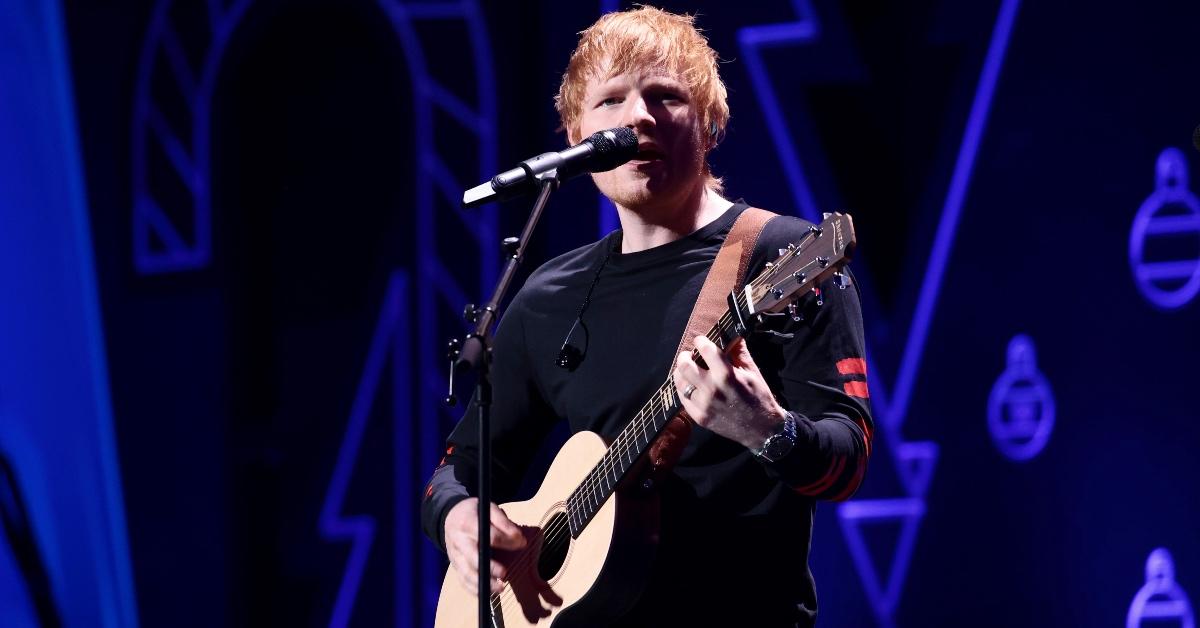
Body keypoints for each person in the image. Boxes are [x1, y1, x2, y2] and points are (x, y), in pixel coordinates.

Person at [421, 6, 873, 626]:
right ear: (576, 136)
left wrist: (767, 429)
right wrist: (457, 518)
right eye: (610, 101)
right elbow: (457, 470)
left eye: (665, 96)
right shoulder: (548, 293)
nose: (638, 117)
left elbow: (849, 459)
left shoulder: (781, 257)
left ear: (710, 123)